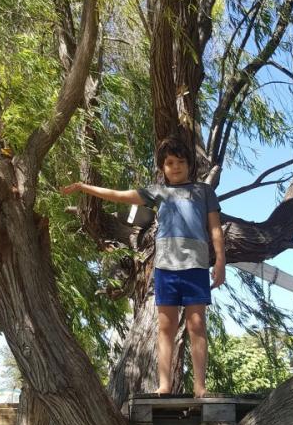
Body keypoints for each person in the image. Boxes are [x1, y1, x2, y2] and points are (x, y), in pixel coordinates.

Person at [60, 136, 226, 397]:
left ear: (189, 164)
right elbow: (120, 196)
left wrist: (220, 261)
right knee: (166, 327)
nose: (175, 166)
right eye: (170, 162)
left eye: (180, 161)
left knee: (196, 325)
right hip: (166, 269)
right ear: (162, 167)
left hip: (195, 267)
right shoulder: (158, 192)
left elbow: (215, 228)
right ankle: (164, 385)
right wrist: (84, 187)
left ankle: (199, 386)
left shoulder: (203, 192)